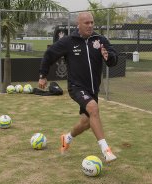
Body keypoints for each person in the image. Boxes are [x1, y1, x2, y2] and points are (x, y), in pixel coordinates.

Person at [38, 12, 118, 162]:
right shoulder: (69, 41)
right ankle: (106, 150)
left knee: (86, 123)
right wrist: (43, 75)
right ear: (78, 25)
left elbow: (113, 58)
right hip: (76, 86)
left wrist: (109, 57)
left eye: (92, 23)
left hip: (93, 89)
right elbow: (49, 54)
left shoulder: (100, 40)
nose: (90, 26)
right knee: (93, 108)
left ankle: (67, 138)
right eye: (86, 23)